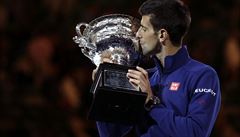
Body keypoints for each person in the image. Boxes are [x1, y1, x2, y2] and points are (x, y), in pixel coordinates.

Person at [94, 0, 221, 137]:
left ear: (162, 35)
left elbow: (195, 132)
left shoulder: (203, 75)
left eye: (143, 28)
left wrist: (151, 102)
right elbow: (111, 134)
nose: (137, 35)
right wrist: (104, 89)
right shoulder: (144, 78)